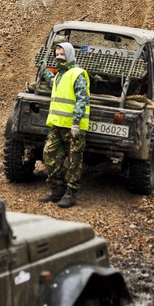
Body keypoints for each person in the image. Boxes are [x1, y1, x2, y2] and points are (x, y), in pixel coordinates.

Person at [38, 41, 90, 208]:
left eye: (62, 53)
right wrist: (44, 70)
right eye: (57, 53)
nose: (58, 56)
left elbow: (82, 99)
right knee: (49, 155)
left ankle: (71, 193)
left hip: (73, 127)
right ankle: (57, 189)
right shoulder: (60, 75)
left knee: (75, 160)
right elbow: (55, 83)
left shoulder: (78, 74)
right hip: (57, 125)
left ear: (69, 54)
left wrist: (76, 122)